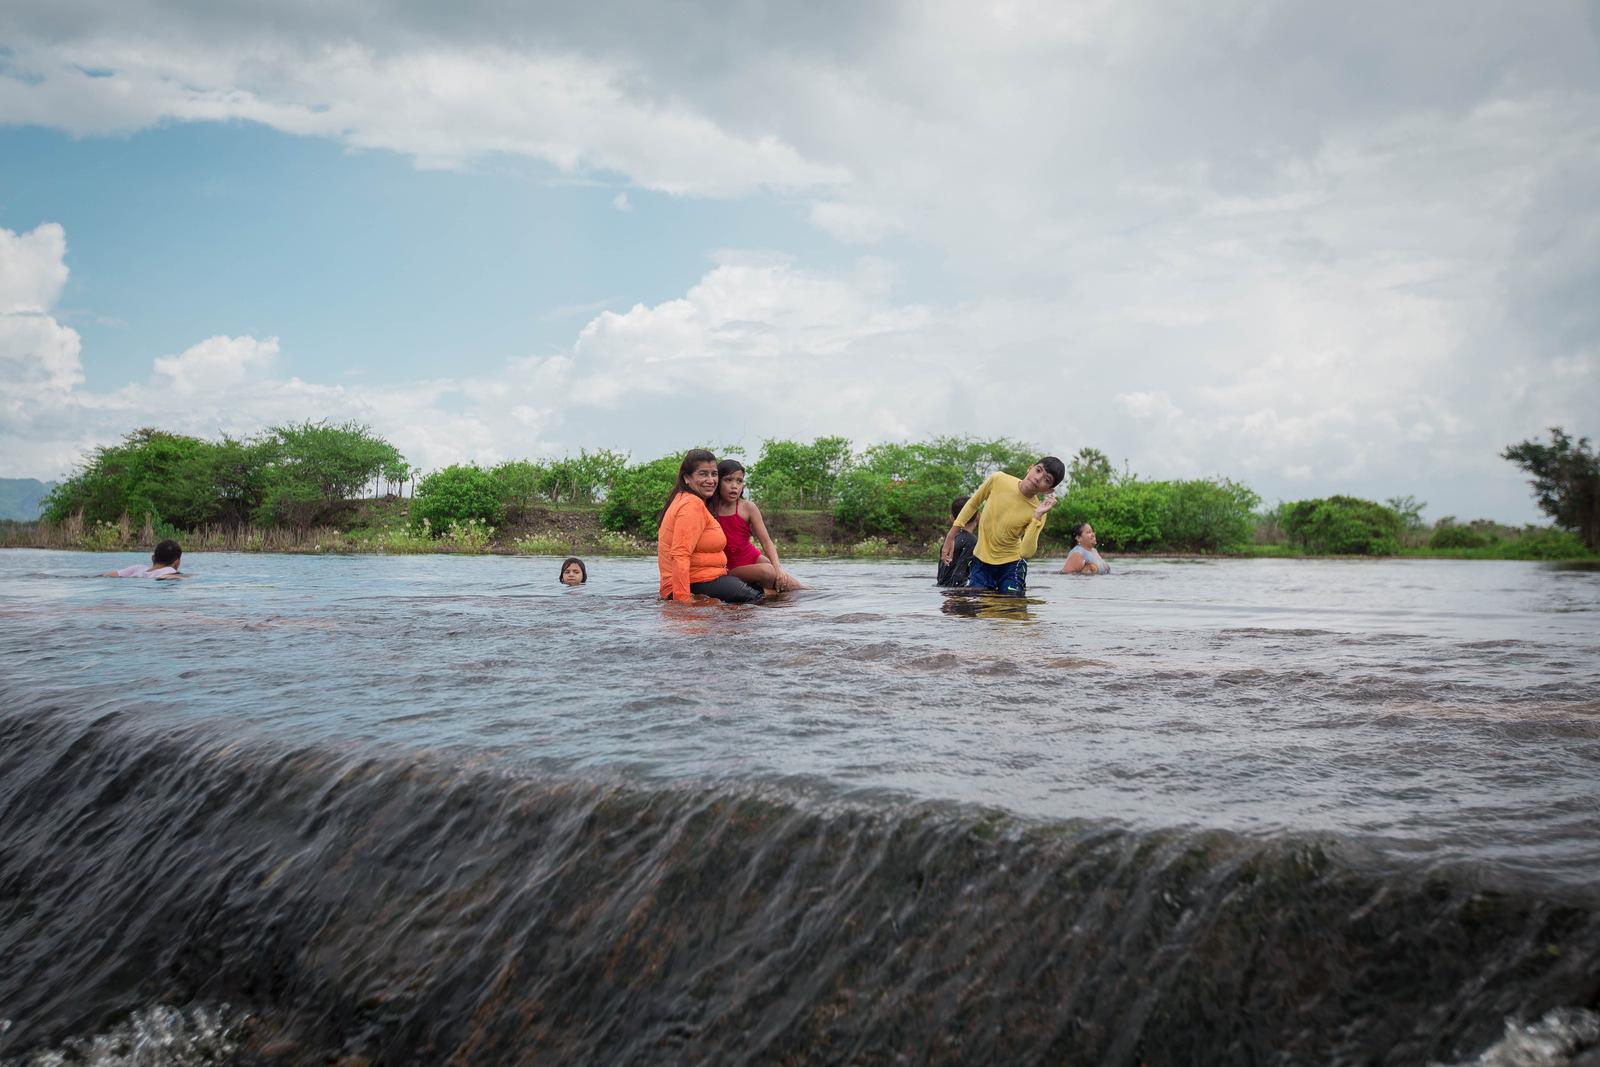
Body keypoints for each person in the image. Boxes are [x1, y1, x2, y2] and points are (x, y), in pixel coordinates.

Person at [940, 458, 1064, 595]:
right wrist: (950, 536)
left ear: (1048, 490)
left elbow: (1025, 552)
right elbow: (972, 504)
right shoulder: (998, 479)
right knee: (981, 607)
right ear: (1030, 468)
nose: (1038, 478)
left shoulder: (1038, 511)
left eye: (1046, 479)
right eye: (1038, 470)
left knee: (1011, 607)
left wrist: (1037, 517)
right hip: (981, 561)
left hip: (1012, 565)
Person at [656, 449, 763, 604]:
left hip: (705, 579)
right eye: (703, 474)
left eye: (714, 474)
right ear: (687, 478)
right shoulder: (690, 505)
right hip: (695, 583)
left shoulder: (692, 501)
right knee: (758, 600)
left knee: (763, 588)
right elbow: (680, 555)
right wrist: (682, 602)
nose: (711, 480)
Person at [710, 460, 803, 592]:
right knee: (768, 572)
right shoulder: (710, 509)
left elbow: (766, 541)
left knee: (796, 586)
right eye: (728, 480)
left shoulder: (748, 507)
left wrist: (778, 567)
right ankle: (769, 599)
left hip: (752, 557)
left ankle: (822, 600)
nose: (734, 486)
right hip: (730, 567)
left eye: (739, 481)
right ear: (718, 482)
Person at [936, 495, 978, 587]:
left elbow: (941, 578)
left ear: (952, 518)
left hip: (943, 591)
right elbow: (960, 576)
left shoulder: (948, 543)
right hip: (957, 594)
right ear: (977, 516)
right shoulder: (971, 541)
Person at [101, 539, 186, 579]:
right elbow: (171, 577)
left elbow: (106, 576)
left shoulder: (138, 568)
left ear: (153, 558)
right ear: (177, 563)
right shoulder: (169, 570)